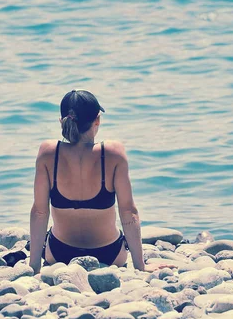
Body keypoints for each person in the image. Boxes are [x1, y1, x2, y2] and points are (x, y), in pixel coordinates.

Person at [29, 90, 176, 274]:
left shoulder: (48, 152)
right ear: (97, 120)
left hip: (60, 253)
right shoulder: (113, 152)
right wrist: (141, 267)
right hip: (109, 254)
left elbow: (40, 212)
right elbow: (129, 212)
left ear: (61, 121)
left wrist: (34, 266)